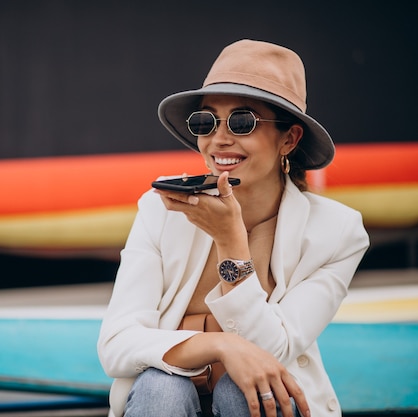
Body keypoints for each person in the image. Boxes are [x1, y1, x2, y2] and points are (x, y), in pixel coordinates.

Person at [97, 39, 370, 417]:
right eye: (205, 121)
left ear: (288, 139)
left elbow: (275, 348)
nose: (219, 138)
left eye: (243, 121)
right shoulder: (161, 209)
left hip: (259, 400)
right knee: (163, 389)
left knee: (244, 393)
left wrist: (231, 242)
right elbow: (115, 345)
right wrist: (222, 347)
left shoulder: (338, 232)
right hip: (164, 398)